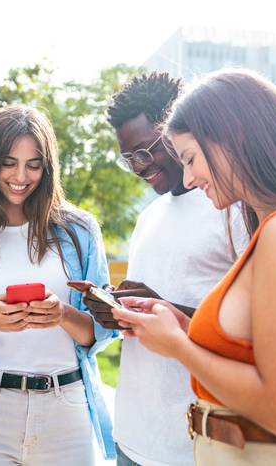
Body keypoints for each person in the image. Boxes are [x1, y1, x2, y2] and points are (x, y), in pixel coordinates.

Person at [113, 69, 276, 465]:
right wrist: (181, 325)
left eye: (191, 158)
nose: (191, 178)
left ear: (234, 137)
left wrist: (178, 346)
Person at [0, 105, 117, 466]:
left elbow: (103, 331)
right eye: (9, 162)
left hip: (66, 406)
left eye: (33, 164)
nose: (20, 176)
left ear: (47, 168)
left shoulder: (80, 230)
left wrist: (62, 314)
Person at [78, 71, 246, 466]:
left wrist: (164, 309)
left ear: (178, 130)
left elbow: (252, 333)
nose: (138, 166)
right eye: (129, 158)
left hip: (193, 446)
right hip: (132, 437)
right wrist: (117, 309)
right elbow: (146, 323)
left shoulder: (233, 210)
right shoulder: (149, 217)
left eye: (147, 150)